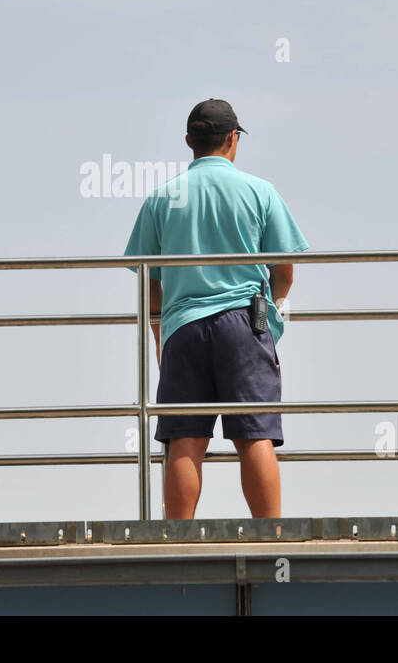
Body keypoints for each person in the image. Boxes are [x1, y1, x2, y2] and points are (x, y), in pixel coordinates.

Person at [123, 99, 309, 519]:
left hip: (183, 327)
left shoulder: (160, 198)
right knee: (254, 435)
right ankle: (270, 538)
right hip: (244, 322)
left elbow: (151, 284)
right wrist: (269, 320)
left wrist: (161, 336)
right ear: (232, 139)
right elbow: (285, 273)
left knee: (185, 438)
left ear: (189, 141)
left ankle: (177, 541)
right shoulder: (260, 191)